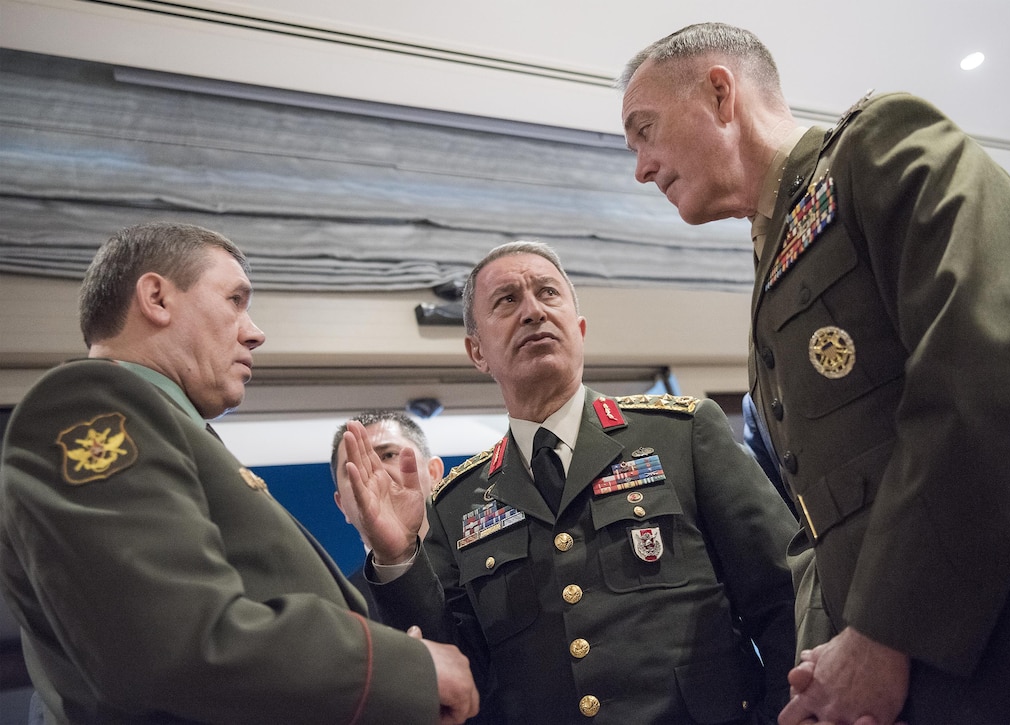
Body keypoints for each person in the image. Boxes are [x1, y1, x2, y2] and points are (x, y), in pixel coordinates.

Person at [619, 22, 1010, 725]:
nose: (640, 167)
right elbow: (817, 521)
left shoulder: (878, 145)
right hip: (907, 677)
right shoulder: (774, 260)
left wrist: (883, 634)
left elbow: (992, 370)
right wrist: (827, 666)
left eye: (644, 131)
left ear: (720, 93)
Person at [0, 222, 478, 724]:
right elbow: (173, 643)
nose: (255, 331)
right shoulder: (88, 404)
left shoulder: (171, 429)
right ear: (157, 297)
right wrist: (405, 670)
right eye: (235, 300)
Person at [340, 240, 799, 723]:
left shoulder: (681, 435)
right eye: (507, 301)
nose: (533, 311)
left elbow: (786, 594)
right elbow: (455, 674)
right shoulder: (456, 505)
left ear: (579, 330)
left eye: (548, 293)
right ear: (477, 352)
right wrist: (397, 556)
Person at [330, 410, 445, 618]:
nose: (375, 474)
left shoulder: (482, 570)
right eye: (354, 466)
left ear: (434, 473)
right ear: (342, 506)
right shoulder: (338, 613)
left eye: (389, 455)